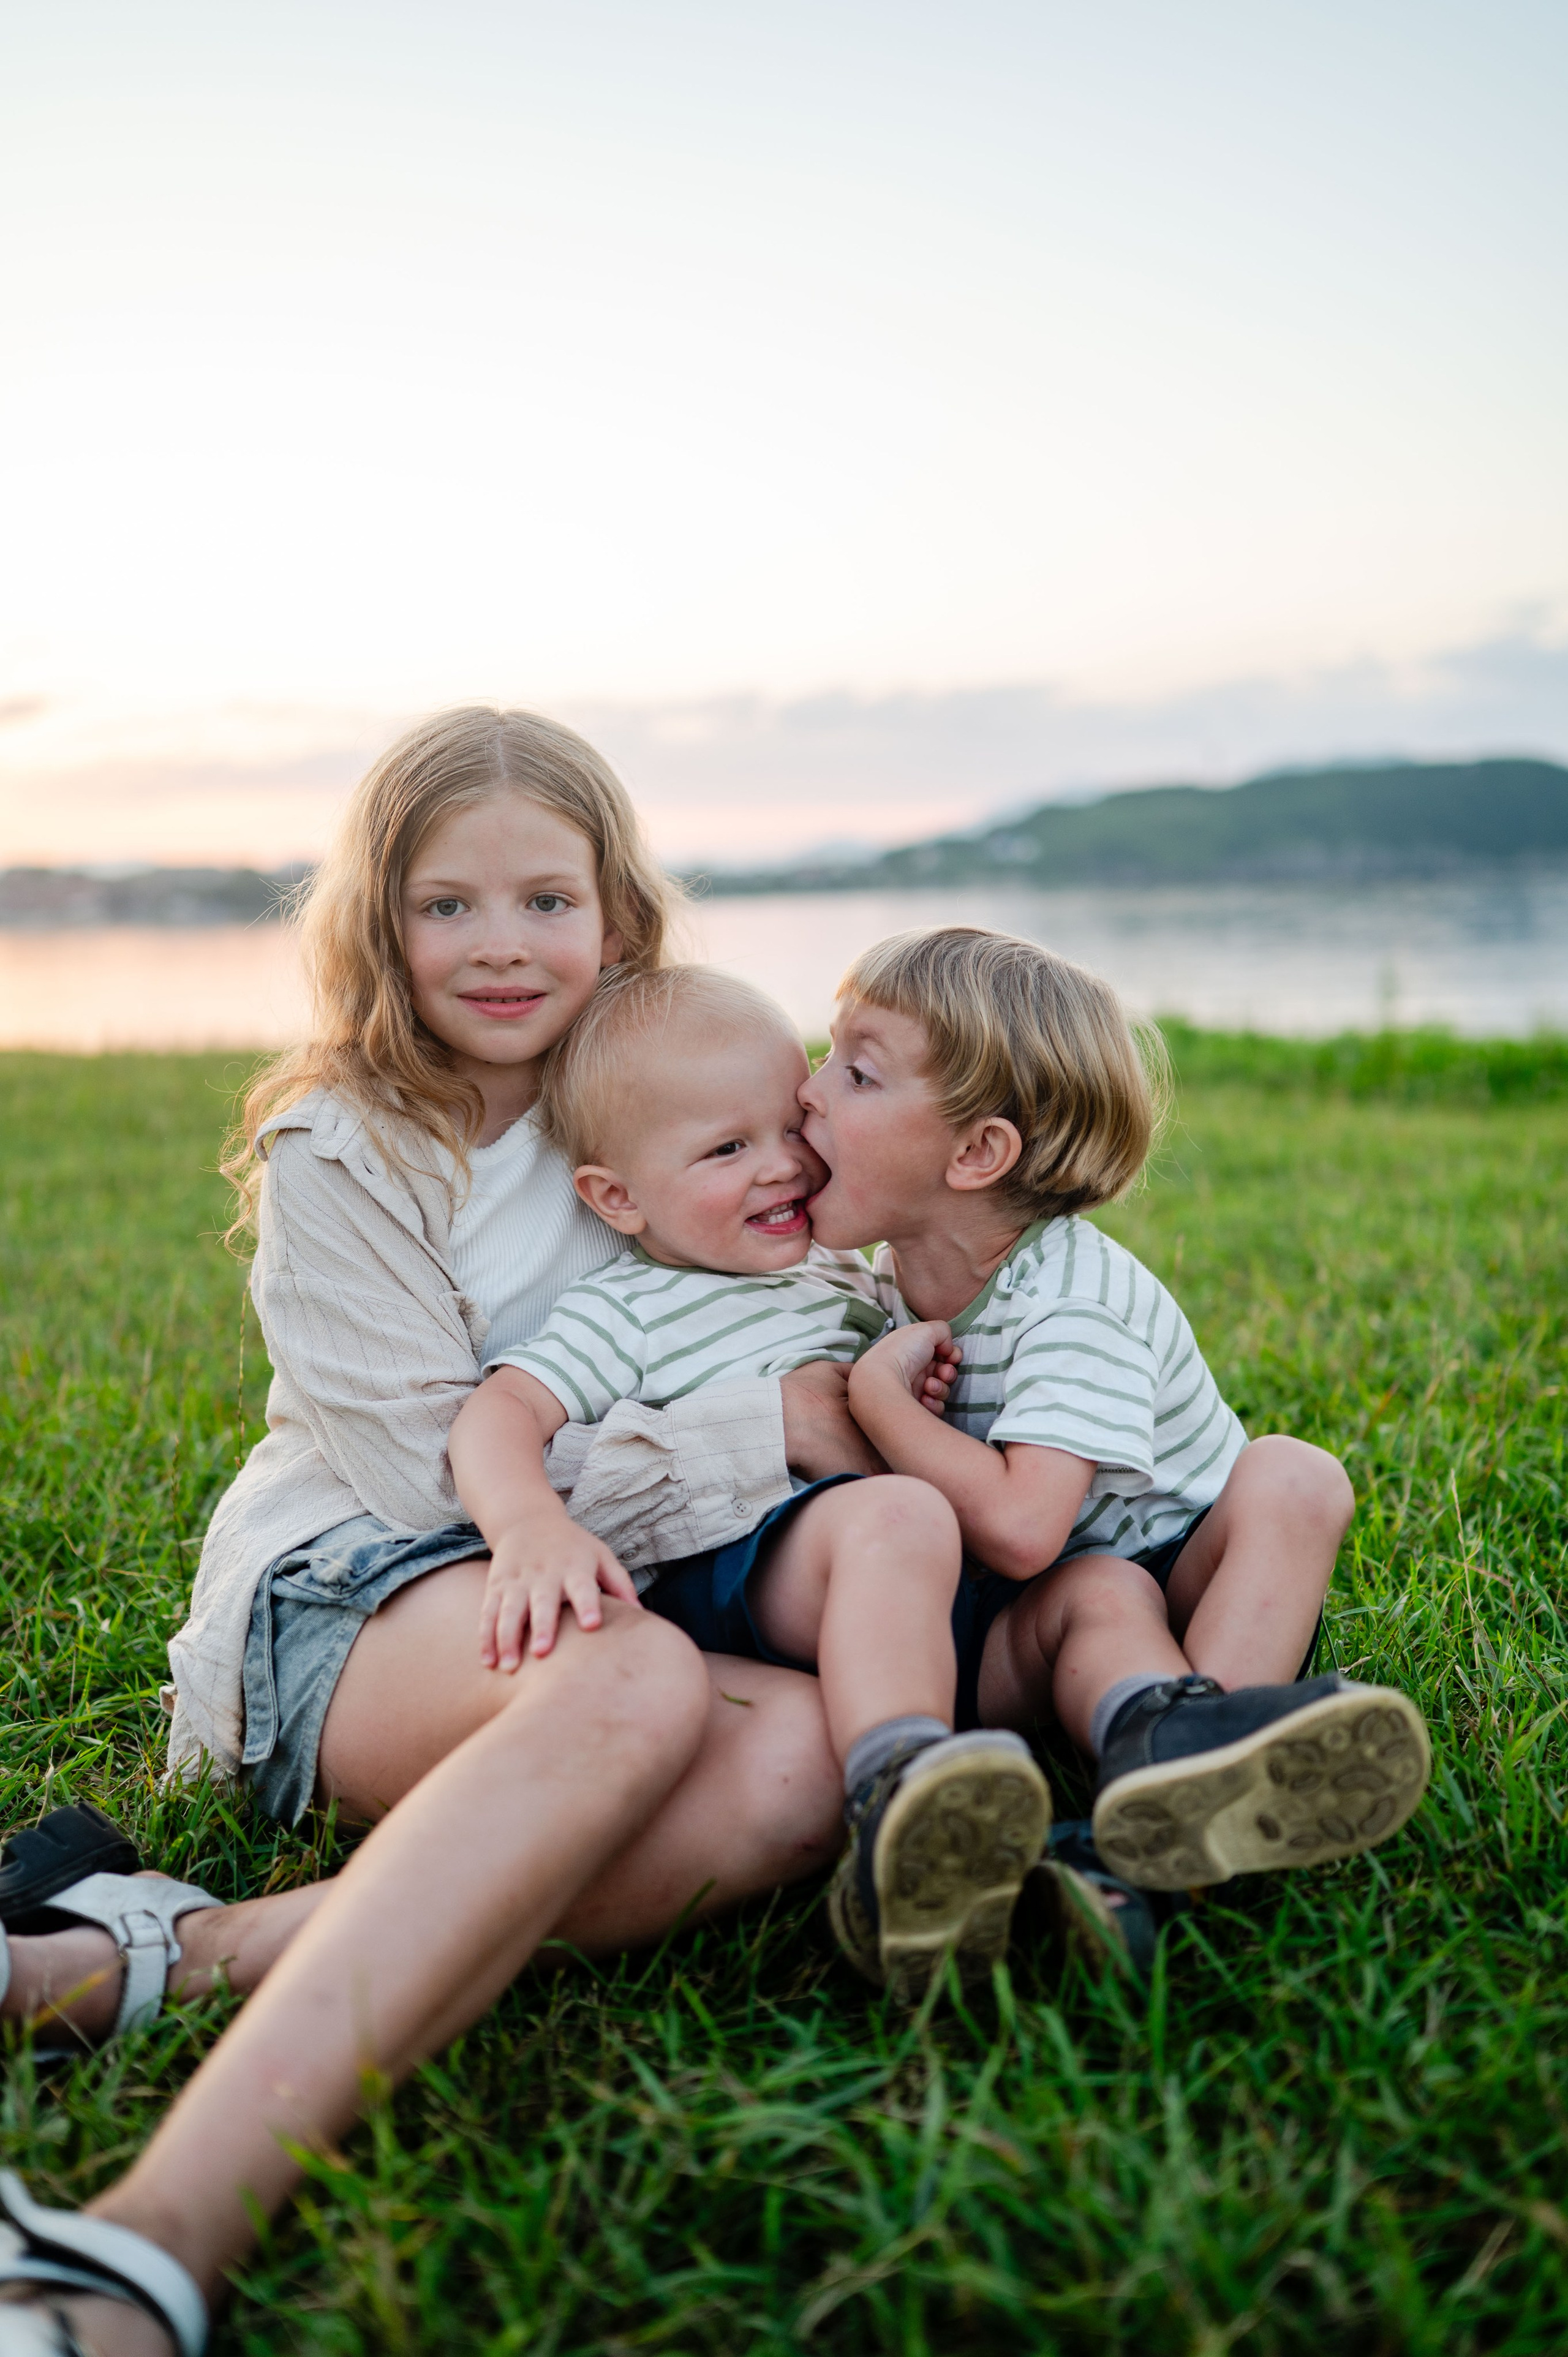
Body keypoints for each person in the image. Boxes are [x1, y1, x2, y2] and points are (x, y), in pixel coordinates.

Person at [0, 707, 863, 2356]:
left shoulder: (666, 1101)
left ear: (618, 912)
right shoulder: (350, 1142)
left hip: (578, 1601)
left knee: (806, 1765)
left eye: (548, 900)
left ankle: (153, 1956)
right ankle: (143, 2247)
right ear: (380, 922)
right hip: (345, 1597)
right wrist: (766, 1441)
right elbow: (421, 1484)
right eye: (447, 904)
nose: (502, 945)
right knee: (635, 1688)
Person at [797, 925, 1431, 1944]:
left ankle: (1197, 1744)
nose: (810, 1091)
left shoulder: (1073, 1300)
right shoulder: (881, 1279)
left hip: (1198, 1589)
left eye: (857, 1073)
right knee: (1100, 1591)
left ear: (976, 1152)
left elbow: (1020, 1526)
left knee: (1295, 1477)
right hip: (1049, 1619)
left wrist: (877, 1405)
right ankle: (1151, 1826)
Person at [448, 962, 1052, 2001]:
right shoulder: (630, 1309)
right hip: (736, 1569)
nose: (781, 1167)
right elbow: (497, 1414)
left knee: (1090, 1598)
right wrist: (526, 1528)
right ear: (616, 1197)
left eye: (789, 1127)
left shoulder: (845, 1275)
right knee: (896, 1514)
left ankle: (1143, 1754)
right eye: (728, 1149)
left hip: (895, 1578)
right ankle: (895, 1808)